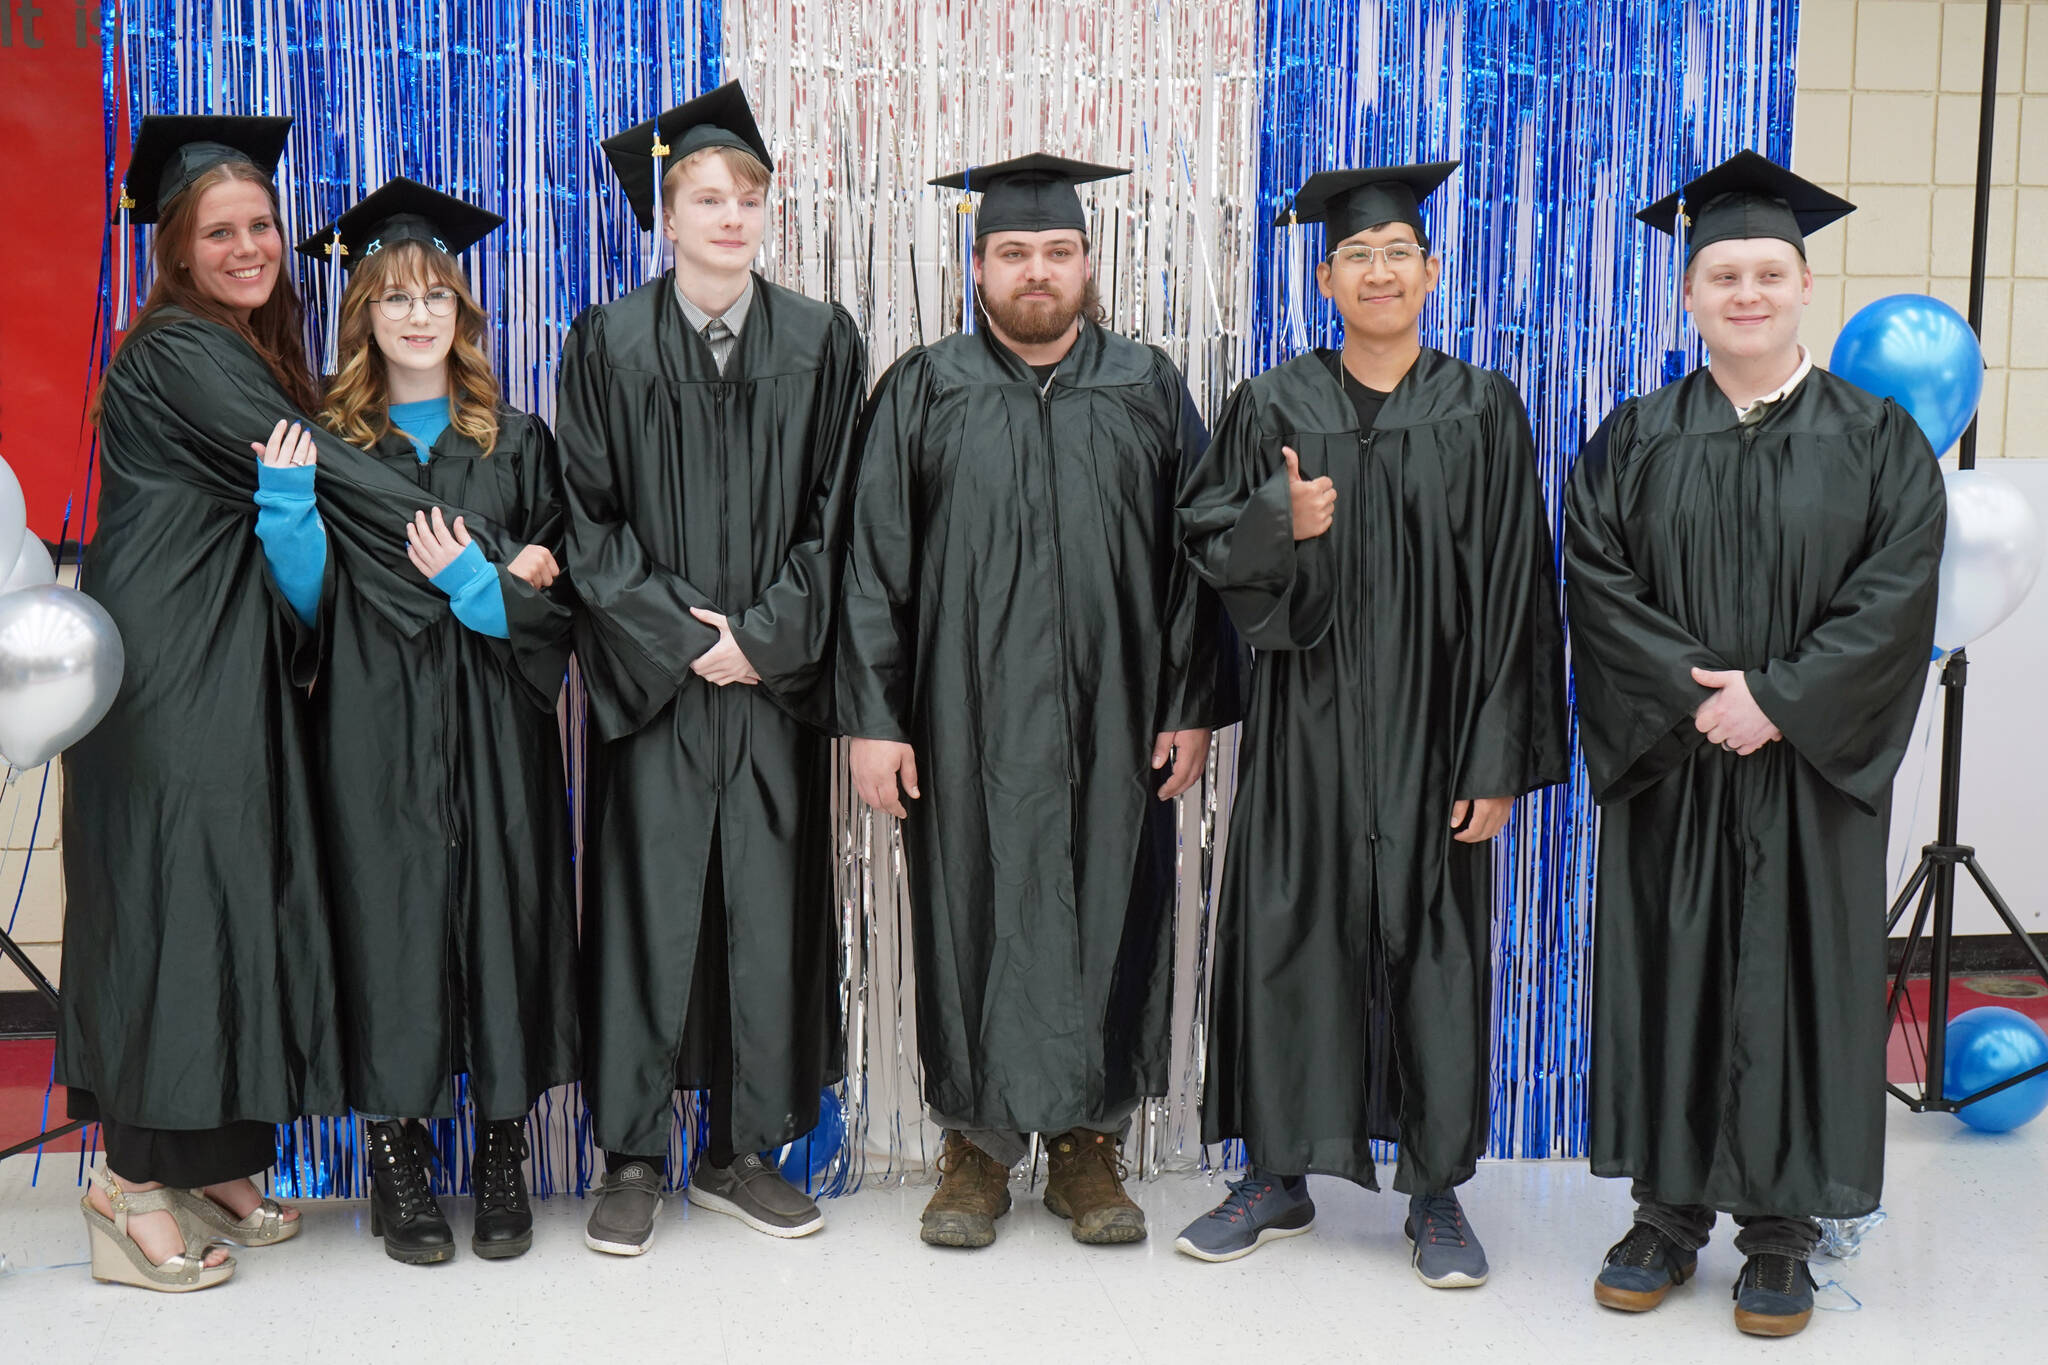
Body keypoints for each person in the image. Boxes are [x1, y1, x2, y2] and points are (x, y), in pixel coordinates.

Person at [59, 116, 521, 1291]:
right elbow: (330, 471)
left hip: (228, 658)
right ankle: (124, 1186)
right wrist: (476, 553)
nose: (250, 246)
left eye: (262, 224)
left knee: (230, 900)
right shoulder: (175, 351)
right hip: (171, 667)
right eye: (220, 231)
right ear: (175, 247)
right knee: (177, 901)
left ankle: (215, 1164)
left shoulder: (246, 349)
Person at [1563, 151, 1945, 1338]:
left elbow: (1894, 595)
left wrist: (1777, 699)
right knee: (1667, 972)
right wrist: (1697, 702)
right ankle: (1664, 1212)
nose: (1744, 292)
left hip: (1804, 766)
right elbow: (1594, 582)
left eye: (1766, 273)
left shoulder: (1876, 440)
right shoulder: (1631, 438)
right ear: (1685, 295)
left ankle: (1780, 1232)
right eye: (1720, 273)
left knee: (1798, 980)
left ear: (1802, 287)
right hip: (1677, 764)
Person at [1174, 162, 1568, 1286]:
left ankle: (1436, 1190)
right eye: (1357, 255)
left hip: (1439, 737)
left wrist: (1496, 755)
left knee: (1433, 948)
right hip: (1305, 729)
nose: (1380, 270)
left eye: (1398, 251)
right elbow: (1204, 540)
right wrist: (1274, 517)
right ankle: (1276, 1173)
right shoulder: (1272, 403)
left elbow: (1513, 589)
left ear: (1430, 271)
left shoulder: (1481, 408)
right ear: (1323, 277)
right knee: (1289, 934)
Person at [839, 153, 1236, 1250]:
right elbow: (872, 565)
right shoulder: (922, 387)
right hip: (959, 712)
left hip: (1116, 712)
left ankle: (1085, 1143)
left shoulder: (1147, 386)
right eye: (1013, 252)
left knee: (1110, 898)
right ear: (977, 266)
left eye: (1056, 251)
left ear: (1085, 263)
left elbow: (1195, 556)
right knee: (969, 903)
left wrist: (1191, 699)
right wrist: (871, 718)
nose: (1036, 271)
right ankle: (973, 1143)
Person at [558, 81, 868, 1255]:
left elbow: (844, 515)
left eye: (747, 197)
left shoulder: (820, 340)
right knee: (646, 909)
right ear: (666, 213)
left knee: (764, 908)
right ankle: (633, 1157)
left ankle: (741, 1152)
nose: (730, 215)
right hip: (658, 686)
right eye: (705, 196)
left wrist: (767, 638)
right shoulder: (610, 341)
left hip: (771, 682)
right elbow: (586, 520)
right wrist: (690, 641)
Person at [257, 178, 578, 1265]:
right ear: (363, 317)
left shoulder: (517, 444)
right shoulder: (329, 447)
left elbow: (556, 600)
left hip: (494, 726)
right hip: (374, 724)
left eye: (435, 293)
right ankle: (394, 1156)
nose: (416, 314)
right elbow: (305, 609)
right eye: (392, 297)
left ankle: (500, 1150)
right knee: (386, 919)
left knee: (502, 915)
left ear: (463, 312)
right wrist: (289, 509)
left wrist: (481, 591)